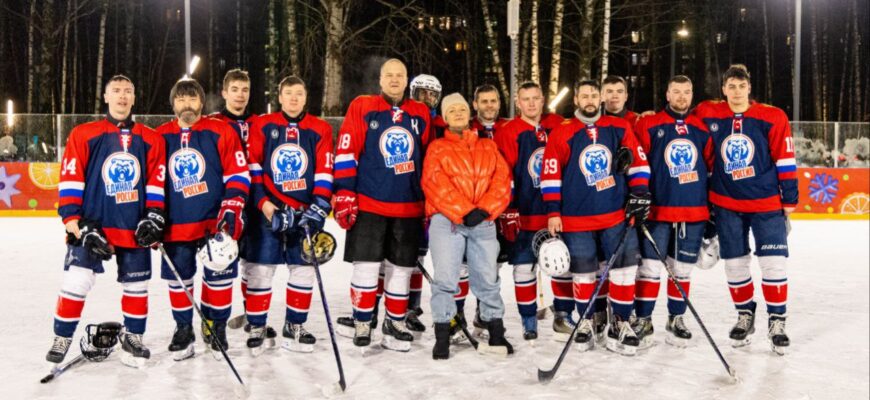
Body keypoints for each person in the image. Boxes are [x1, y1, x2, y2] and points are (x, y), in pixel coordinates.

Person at [49, 75, 165, 368]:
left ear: (134, 98)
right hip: (93, 225)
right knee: (77, 280)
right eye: (116, 91)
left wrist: (153, 216)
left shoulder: (151, 138)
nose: (122, 96)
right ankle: (61, 337)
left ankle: (134, 336)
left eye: (128, 91)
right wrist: (74, 222)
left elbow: (155, 182)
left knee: (137, 285)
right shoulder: (83, 134)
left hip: (133, 225)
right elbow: (71, 179)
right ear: (106, 97)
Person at [541, 79, 651, 356]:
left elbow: (638, 162)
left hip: (615, 214)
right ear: (576, 100)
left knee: (624, 269)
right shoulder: (563, 131)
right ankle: (586, 321)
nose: (589, 100)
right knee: (583, 272)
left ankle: (620, 322)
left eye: (593, 95)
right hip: (575, 218)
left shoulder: (618, 127)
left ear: (600, 98)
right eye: (584, 95)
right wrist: (553, 211)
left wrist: (639, 193)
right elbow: (551, 174)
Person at [693, 64, 795, 354]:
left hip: (766, 202)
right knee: (735, 263)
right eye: (731, 86)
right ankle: (744, 315)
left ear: (749, 88)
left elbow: (785, 158)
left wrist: (789, 200)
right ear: (723, 89)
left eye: (741, 86)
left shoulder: (772, 116)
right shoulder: (708, 112)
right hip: (726, 203)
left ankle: (777, 321)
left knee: (773, 262)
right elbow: (679, 119)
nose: (736, 92)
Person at [333, 58, 432, 352]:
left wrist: (429, 201)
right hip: (369, 202)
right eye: (389, 75)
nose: (394, 80)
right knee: (366, 266)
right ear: (380, 79)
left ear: (407, 80)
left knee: (402, 268)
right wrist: (345, 192)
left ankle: (395, 322)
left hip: (409, 206)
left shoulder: (420, 112)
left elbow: (428, 159)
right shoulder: (362, 106)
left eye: (399, 75)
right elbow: (347, 151)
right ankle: (363, 321)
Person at [156, 78, 250, 360]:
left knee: (219, 278)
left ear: (202, 102)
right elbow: (152, 181)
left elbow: (238, 173)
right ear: (173, 104)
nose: (187, 104)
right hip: (175, 224)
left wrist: (232, 206)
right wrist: (152, 215)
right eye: (181, 99)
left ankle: (216, 326)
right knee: (179, 280)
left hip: (214, 223)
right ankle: (184, 329)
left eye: (192, 98)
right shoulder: (159, 136)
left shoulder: (221, 131)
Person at [242, 76, 334, 354]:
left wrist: (317, 209)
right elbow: (254, 170)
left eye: (299, 93)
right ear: (279, 97)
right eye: (288, 93)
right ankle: (257, 325)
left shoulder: (320, 128)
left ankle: (295, 324)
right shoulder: (262, 125)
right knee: (260, 269)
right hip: (268, 211)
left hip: (304, 212)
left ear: (306, 98)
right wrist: (265, 206)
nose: (294, 98)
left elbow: (324, 173)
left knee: (303, 268)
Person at [423, 93, 512, 359]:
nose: (458, 113)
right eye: (452, 110)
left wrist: (485, 209)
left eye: (462, 109)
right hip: (447, 221)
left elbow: (502, 180)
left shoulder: (487, 146)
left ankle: (496, 331)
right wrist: (463, 211)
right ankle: (442, 334)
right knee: (446, 279)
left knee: (488, 278)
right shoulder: (437, 147)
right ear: (445, 117)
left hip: (483, 220)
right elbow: (434, 183)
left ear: (469, 113)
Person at [632, 75, 713, 348]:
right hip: (657, 212)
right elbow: (637, 165)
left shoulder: (701, 128)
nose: (681, 97)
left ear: (692, 95)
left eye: (686, 92)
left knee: (682, 270)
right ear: (667, 95)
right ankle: (643, 319)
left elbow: (711, 168)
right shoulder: (649, 124)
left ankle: (676, 318)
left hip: (693, 212)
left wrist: (712, 210)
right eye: (676, 92)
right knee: (649, 269)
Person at [494, 81, 571, 341]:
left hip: (557, 213)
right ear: (518, 102)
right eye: (525, 99)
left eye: (535, 98)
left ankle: (563, 314)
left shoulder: (559, 125)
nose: (531, 103)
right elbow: (503, 172)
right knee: (524, 268)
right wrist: (509, 208)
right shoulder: (508, 131)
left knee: (562, 265)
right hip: (525, 214)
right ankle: (529, 320)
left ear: (543, 100)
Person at [208, 68, 273, 342]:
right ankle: (213, 322)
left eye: (245, 90)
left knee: (255, 264)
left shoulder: (261, 123)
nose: (240, 95)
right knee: (220, 266)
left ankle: (253, 317)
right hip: (225, 203)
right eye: (234, 89)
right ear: (224, 93)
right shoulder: (212, 123)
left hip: (255, 202)